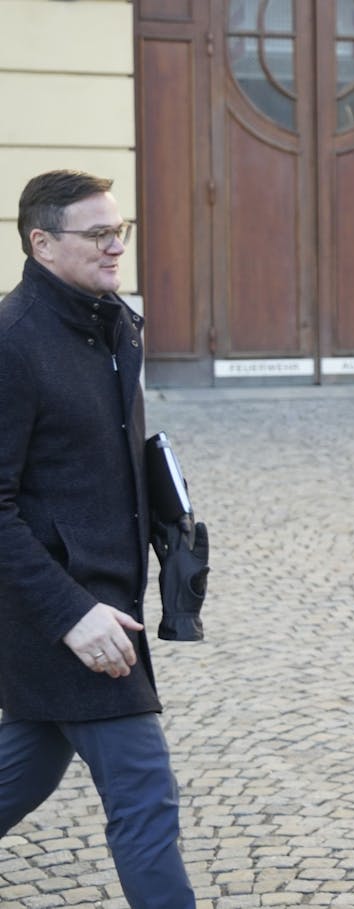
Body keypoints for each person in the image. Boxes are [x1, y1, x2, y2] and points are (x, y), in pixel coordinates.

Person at [0, 170, 196, 907]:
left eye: (122, 231)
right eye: (99, 234)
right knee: (146, 800)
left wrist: (171, 529)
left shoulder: (112, 321)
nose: (117, 247)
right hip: (68, 615)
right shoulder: (13, 341)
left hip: (107, 597)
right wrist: (70, 614)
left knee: (27, 763)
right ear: (41, 243)